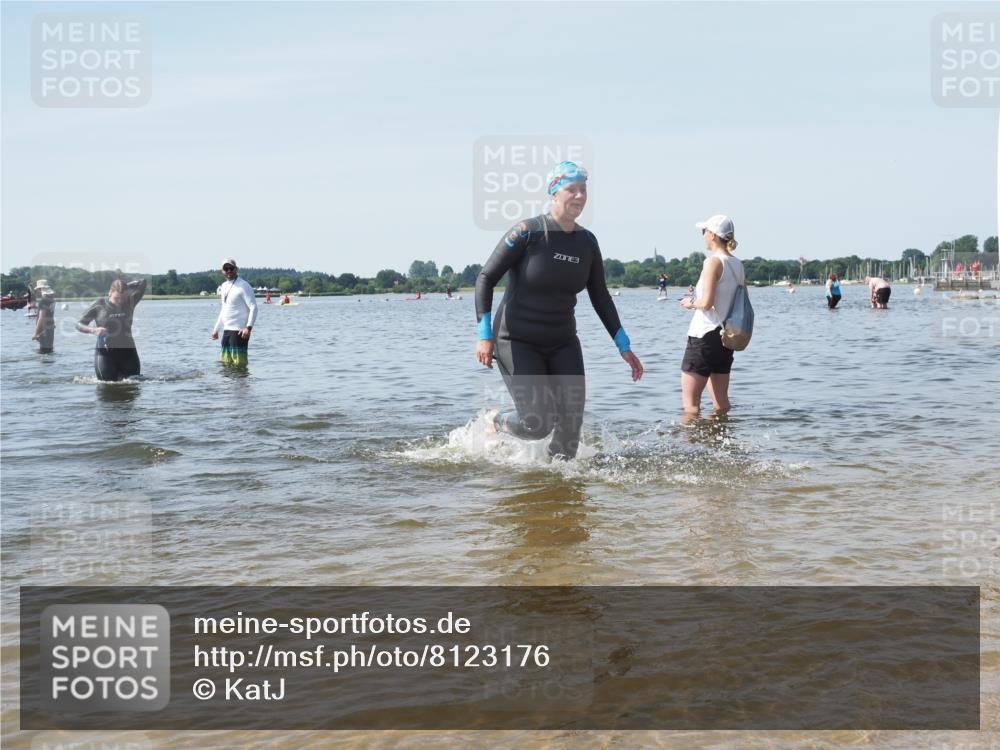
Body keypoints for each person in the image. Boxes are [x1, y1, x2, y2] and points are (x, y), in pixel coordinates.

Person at [475, 161, 643, 459]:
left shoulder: (587, 242)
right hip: (516, 339)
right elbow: (486, 278)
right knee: (537, 424)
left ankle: (557, 494)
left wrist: (623, 346)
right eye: (571, 189)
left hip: (562, 341)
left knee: (569, 433)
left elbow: (601, 297)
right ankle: (497, 420)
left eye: (583, 190)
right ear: (553, 192)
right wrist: (483, 335)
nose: (579, 196)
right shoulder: (528, 232)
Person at [679, 214, 746, 416]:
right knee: (721, 404)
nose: (703, 235)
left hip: (704, 336)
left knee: (691, 406)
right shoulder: (738, 265)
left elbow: (706, 303)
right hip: (726, 338)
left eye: (705, 231)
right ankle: (719, 443)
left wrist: (689, 302)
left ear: (714, 235)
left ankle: (688, 447)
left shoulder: (713, 262)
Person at [77, 278, 147, 380]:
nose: (120, 302)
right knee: (106, 385)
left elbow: (143, 282)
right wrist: (93, 330)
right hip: (105, 354)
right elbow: (79, 325)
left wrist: (124, 286)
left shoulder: (130, 302)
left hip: (128, 353)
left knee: (133, 383)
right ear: (110, 292)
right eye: (116, 298)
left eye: (123, 298)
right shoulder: (99, 305)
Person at [210, 258, 258, 366]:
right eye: (225, 269)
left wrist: (248, 328)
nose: (228, 271)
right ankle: (227, 384)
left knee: (239, 366)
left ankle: (243, 383)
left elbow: (253, 307)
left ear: (236, 269)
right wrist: (216, 329)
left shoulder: (243, 285)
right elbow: (224, 309)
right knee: (225, 366)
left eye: (231, 268)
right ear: (222, 271)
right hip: (227, 331)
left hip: (239, 332)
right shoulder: (223, 286)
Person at [31, 280, 56, 353]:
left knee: (43, 353)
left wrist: (35, 333)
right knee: (49, 350)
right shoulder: (52, 299)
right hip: (51, 327)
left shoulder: (43, 301)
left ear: (40, 289)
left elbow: (41, 317)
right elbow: (50, 314)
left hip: (44, 328)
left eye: (38, 290)